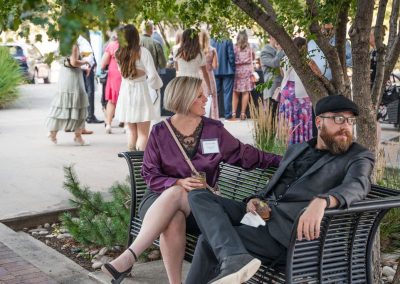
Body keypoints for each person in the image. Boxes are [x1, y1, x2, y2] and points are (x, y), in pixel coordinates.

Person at [101, 76, 282, 284]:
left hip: (200, 207)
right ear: (184, 99)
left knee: (180, 201)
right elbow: (150, 175)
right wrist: (177, 182)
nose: (206, 98)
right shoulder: (160, 132)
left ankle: (128, 257)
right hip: (158, 201)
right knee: (174, 215)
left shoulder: (214, 130)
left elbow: (247, 155)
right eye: (199, 95)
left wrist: (286, 160)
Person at [186, 95, 375, 284]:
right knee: (198, 195)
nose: (346, 126)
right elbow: (271, 188)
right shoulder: (298, 149)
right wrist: (255, 200)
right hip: (262, 215)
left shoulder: (358, 156)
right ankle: (233, 256)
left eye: (350, 121)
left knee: (208, 241)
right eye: (339, 119)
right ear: (319, 121)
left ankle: (234, 257)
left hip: (290, 235)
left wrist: (323, 201)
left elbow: (358, 184)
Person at [114, 24, 163, 151]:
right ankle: (140, 167)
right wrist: (157, 86)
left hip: (125, 92)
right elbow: (152, 76)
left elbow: (123, 72)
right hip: (140, 92)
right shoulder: (143, 52)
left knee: (131, 132)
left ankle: (131, 166)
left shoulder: (118, 53)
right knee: (143, 134)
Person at [279, 37, 321, 144]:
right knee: (302, 120)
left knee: (288, 119)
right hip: (301, 94)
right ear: (304, 47)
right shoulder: (307, 60)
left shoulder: (285, 59)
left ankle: (288, 144)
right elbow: (319, 74)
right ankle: (302, 144)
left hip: (287, 93)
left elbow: (282, 74)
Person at [46, 44, 91, 146]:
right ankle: (78, 137)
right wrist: (86, 61)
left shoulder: (63, 42)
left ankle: (53, 133)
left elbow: (66, 61)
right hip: (73, 78)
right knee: (78, 105)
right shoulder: (73, 45)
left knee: (63, 106)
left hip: (64, 76)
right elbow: (74, 62)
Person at [140, 20, 167, 120]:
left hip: (137, 79)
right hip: (152, 79)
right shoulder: (156, 43)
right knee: (154, 106)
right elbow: (162, 64)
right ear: (151, 30)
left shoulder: (135, 43)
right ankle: (153, 131)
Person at [175, 29, 212, 95]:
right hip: (195, 80)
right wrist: (209, 88)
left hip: (181, 79)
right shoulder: (200, 53)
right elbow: (205, 73)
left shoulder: (177, 51)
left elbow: (177, 68)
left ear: (183, 38)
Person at [77, 35, 104, 125]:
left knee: (85, 91)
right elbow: (88, 54)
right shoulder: (82, 40)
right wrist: (88, 66)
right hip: (86, 68)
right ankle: (90, 116)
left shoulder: (76, 39)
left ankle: (86, 115)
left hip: (81, 67)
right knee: (90, 91)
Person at [101, 32, 122, 134]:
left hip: (113, 74)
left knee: (112, 100)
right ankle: (126, 124)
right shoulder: (129, 46)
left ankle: (108, 124)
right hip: (125, 73)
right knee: (124, 98)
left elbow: (103, 62)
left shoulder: (112, 45)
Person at [211, 38, 235, 121]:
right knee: (227, 94)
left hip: (215, 70)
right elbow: (231, 56)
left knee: (215, 94)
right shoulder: (227, 40)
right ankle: (228, 116)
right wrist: (233, 68)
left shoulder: (211, 40)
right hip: (227, 71)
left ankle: (214, 115)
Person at [232, 30, 255, 121]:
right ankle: (242, 113)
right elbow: (252, 58)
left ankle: (233, 113)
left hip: (237, 70)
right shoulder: (250, 47)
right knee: (245, 92)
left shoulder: (234, 47)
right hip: (247, 70)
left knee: (235, 92)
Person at [260, 35, 285, 113]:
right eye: (276, 37)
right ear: (271, 37)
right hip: (272, 87)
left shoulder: (282, 49)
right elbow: (275, 64)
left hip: (283, 84)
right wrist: (279, 51)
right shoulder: (265, 51)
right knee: (271, 113)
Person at [199, 29, 219, 119]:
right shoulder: (212, 50)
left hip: (198, 77)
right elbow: (215, 66)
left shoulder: (197, 51)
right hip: (209, 76)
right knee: (212, 98)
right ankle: (212, 118)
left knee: (199, 98)